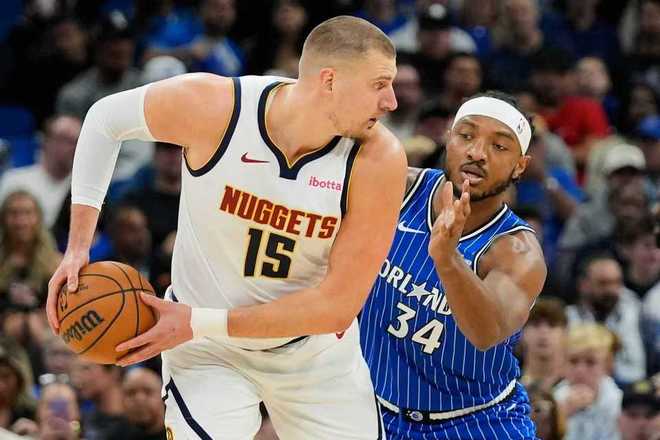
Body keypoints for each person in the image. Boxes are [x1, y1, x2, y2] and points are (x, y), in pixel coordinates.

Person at [46, 16, 406, 439]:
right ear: (330, 80)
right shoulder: (219, 108)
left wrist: (199, 321)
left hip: (310, 352)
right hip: (207, 350)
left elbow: (336, 307)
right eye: (379, 84)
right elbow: (105, 120)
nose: (391, 102)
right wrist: (78, 247)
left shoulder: (378, 159)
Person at [360, 91, 547, 439]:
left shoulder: (517, 252)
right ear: (449, 139)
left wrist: (447, 259)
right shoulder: (398, 187)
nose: (477, 153)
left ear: (520, 166)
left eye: (499, 146)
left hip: (478, 421)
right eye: (467, 135)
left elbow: (486, 333)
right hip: (374, 410)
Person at [553, 323, 623, 440]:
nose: (580, 370)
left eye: (590, 362)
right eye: (573, 361)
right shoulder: (554, 401)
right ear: (563, 364)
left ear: (607, 366)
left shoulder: (620, 405)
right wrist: (560, 416)